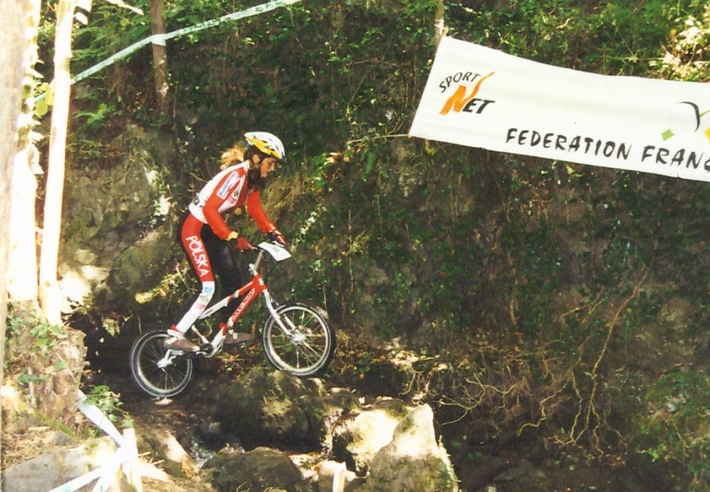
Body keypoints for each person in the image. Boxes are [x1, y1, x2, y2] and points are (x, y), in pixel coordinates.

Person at [164, 131, 288, 352]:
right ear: (257, 158)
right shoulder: (236, 176)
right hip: (193, 228)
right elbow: (210, 209)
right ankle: (174, 334)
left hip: (210, 230)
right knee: (208, 287)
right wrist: (230, 235)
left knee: (233, 280)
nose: (272, 169)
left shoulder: (252, 180)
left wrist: (272, 231)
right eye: (271, 163)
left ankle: (226, 332)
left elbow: (254, 208)